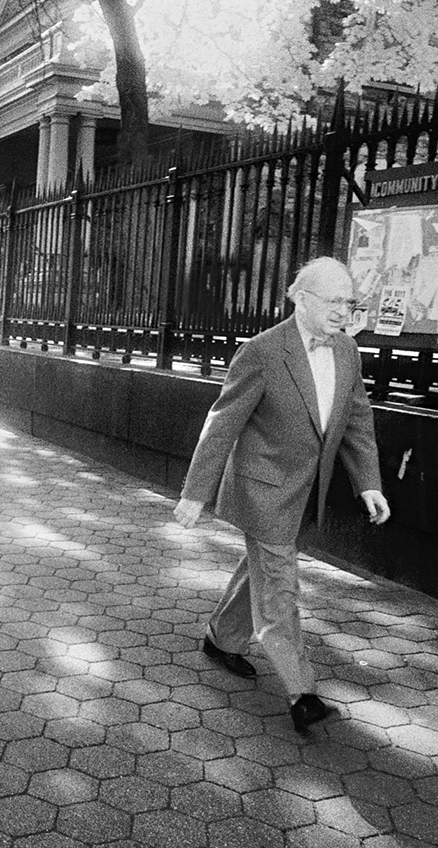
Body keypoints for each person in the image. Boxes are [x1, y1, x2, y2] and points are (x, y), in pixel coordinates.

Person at [174, 257, 391, 734]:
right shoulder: (263, 351)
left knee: (262, 570)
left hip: (305, 490)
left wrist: (369, 483)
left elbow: (357, 420)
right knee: (279, 588)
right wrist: (197, 492)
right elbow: (223, 421)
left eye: (348, 302)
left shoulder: (348, 351)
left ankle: (221, 639)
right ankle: (303, 693)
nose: (342, 312)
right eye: (334, 301)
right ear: (302, 298)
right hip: (263, 489)